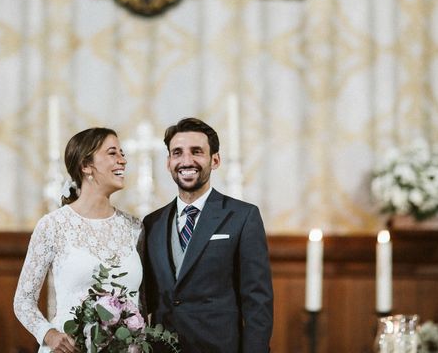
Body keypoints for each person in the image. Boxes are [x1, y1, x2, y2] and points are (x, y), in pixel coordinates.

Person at [142, 117, 274, 353]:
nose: (186, 161)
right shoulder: (152, 223)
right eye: (177, 153)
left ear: (215, 160)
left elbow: (257, 302)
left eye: (197, 152)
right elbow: (145, 299)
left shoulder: (243, 216)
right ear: (168, 162)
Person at [14, 127, 143, 353]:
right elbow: (23, 301)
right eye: (113, 153)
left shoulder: (135, 227)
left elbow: (142, 303)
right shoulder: (53, 225)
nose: (123, 160)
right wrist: (50, 335)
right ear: (86, 166)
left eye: (122, 153)